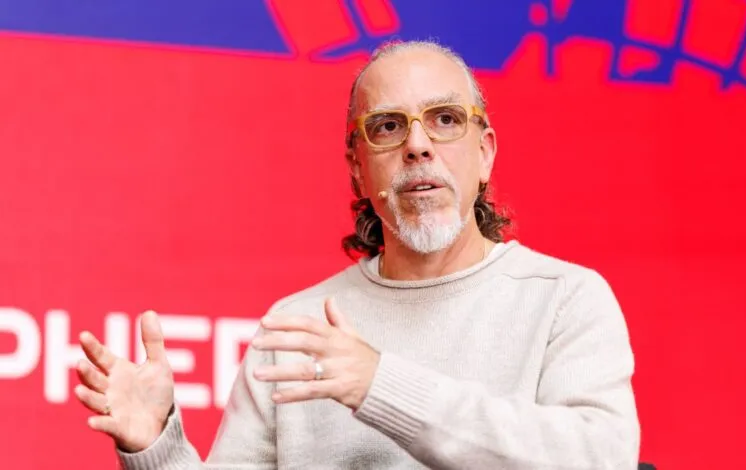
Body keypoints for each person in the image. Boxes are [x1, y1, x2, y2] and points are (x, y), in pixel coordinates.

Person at [74, 40, 641, 469]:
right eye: (388, 127)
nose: (418, 145)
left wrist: (380, 386)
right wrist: (156, 443)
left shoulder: (565, 298)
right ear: (358, 167)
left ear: (485, 152)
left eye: (445, 120)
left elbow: (603, 457)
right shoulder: (296, 327)